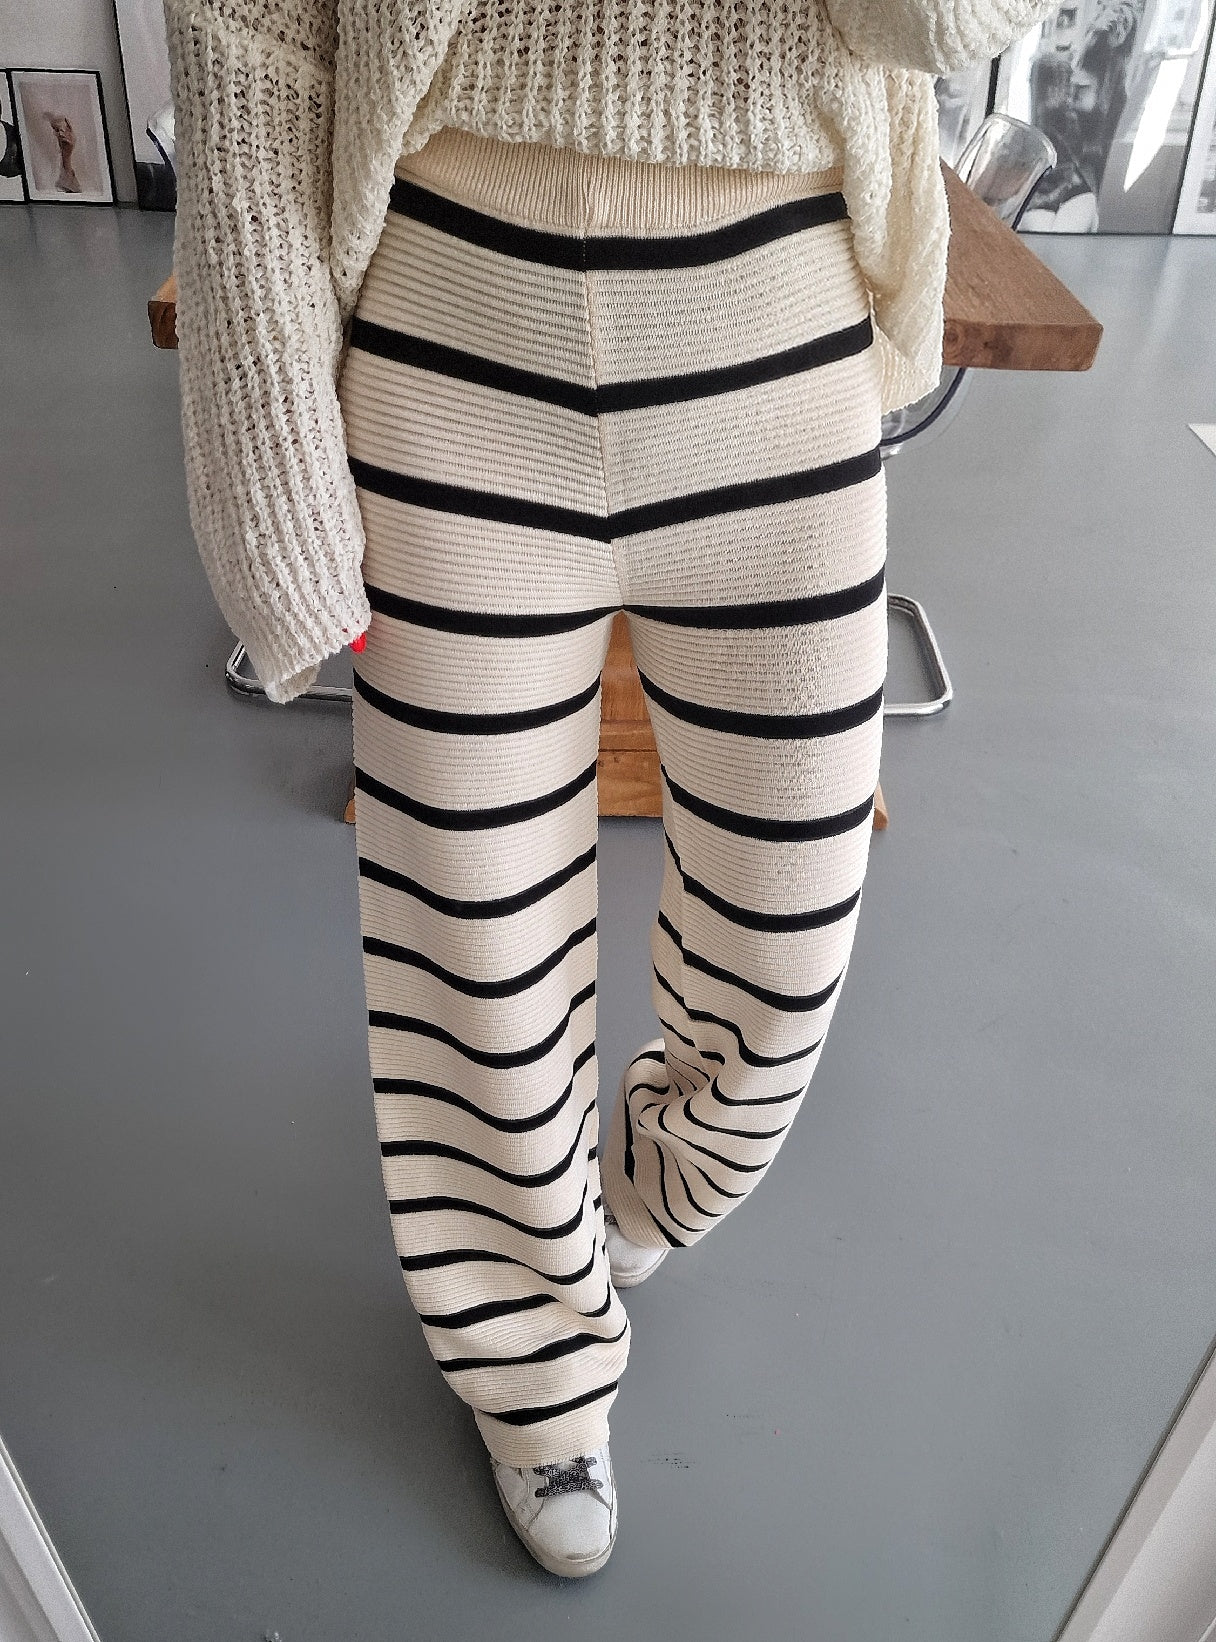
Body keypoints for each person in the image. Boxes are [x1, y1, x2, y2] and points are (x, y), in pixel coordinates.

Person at [164, 0, 1061, 1578]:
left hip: (777, 345)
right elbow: (251, 35)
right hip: (453, 343)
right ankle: (533, 1374)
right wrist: (268, 446)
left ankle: (639, 1192)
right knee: (471, 938)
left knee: (787, 941)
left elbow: (949, 21)